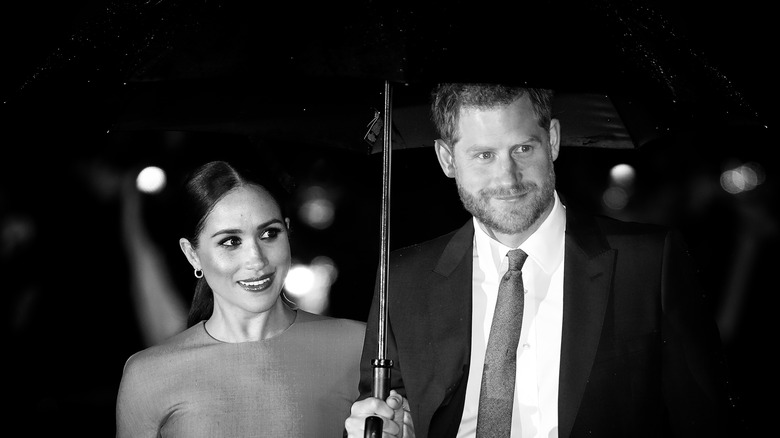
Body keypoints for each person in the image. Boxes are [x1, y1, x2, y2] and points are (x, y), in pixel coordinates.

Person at [345, 84, 738, 437]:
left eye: (522, 148)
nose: (508, 177)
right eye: (484, 155)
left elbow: (706, 420)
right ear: (448, 159)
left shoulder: (650, 261)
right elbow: (378, 411)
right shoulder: (403, 277)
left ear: (551, 140)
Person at [116, 160, 366, 437]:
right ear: (192, 254)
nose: (256, 260)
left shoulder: (360, 347)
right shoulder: (148, 375)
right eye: (231, 242)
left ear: (287, 231)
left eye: (269, 234)